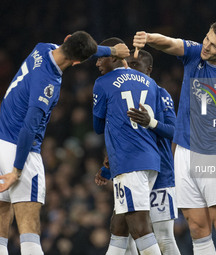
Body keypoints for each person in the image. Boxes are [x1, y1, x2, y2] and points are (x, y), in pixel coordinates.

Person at [0, 31, 129, 255]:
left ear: (67, 39)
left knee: (2, 216)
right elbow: (29, 128)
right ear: (77, 62)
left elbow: (83, 47)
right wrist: (17, 170)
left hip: (1, 141)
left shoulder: (42, 47)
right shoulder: (47, 84)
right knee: (29, 229)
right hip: (20, 150)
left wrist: (112, 50)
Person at [133, 19, 216, 255]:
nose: (207, 46)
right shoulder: (196, 53)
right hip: (184, 154)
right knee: (197, 227)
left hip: (215, 156)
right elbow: (170, 43)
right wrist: (148, 37)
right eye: (207, 38)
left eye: (214, 45)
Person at [97, 48, 181, 255]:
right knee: (123, 230)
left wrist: (151, 123)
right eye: (128, 64)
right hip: (132, 169)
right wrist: (107, 168)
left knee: (163, 237)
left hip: (160, 173)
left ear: (149, 69)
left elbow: (175, 131)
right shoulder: (120, 94)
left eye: (135, 65)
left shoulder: (159, 93)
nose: (130, 69)